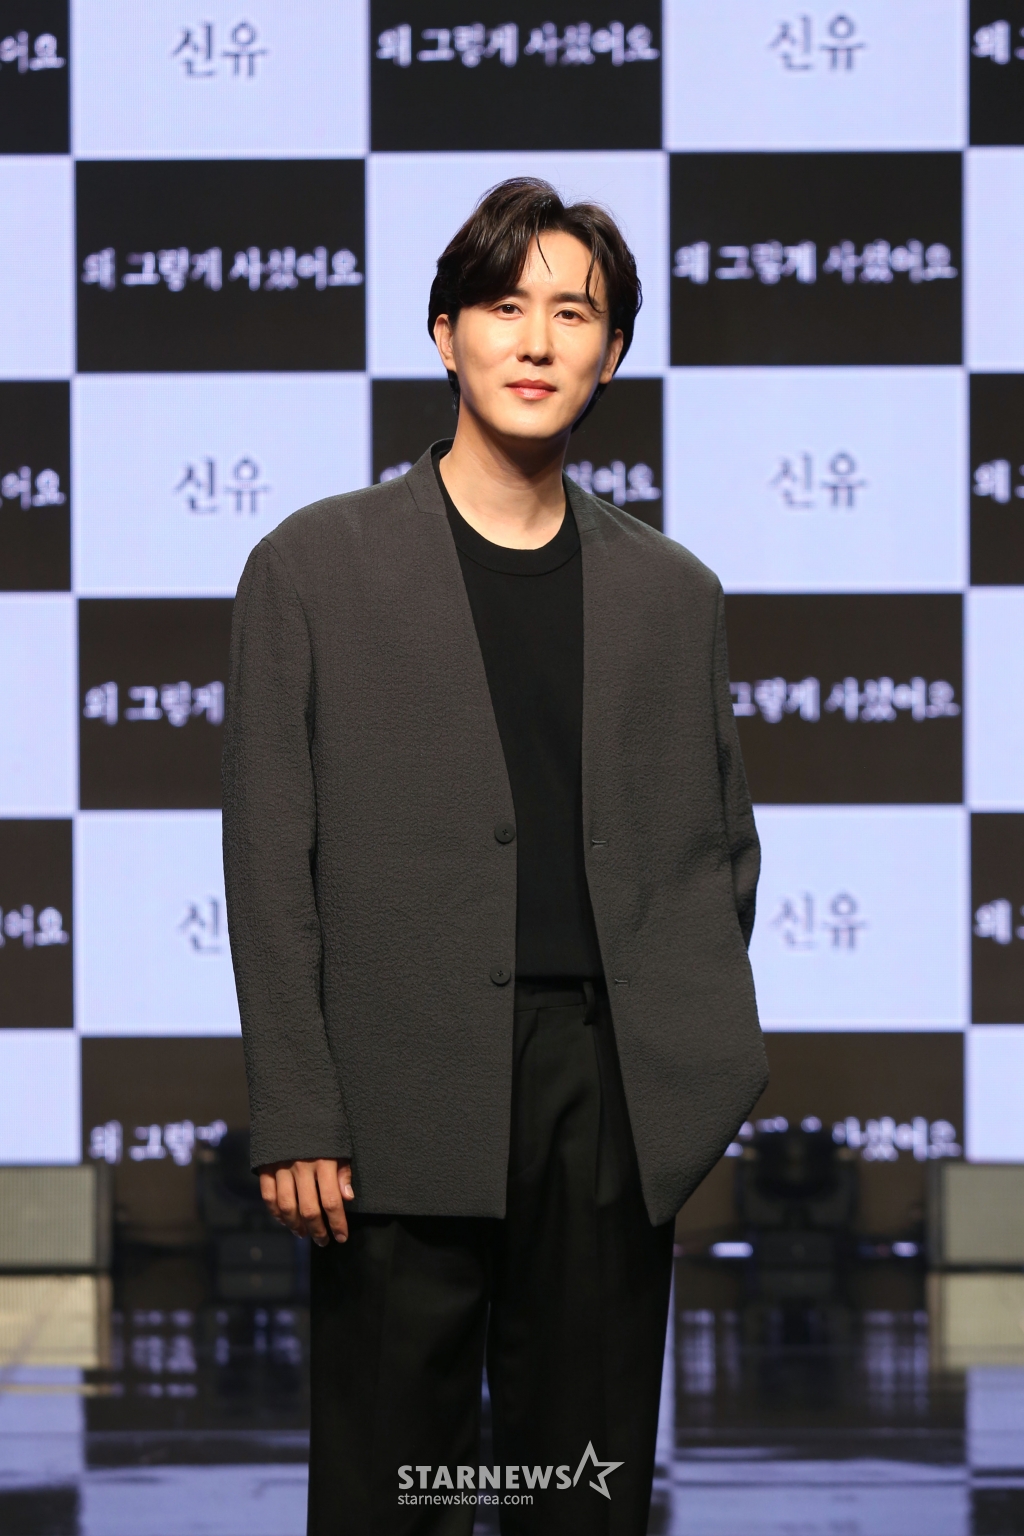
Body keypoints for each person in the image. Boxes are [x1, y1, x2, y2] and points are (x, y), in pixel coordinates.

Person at [222, 176, 768, 1536]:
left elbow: (718, 848)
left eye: (572, 313)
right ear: (446, 333)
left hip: (605, 1090)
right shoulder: (311, 568)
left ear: (612, 353)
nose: (535, 341)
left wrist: (680, 1060)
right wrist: (299, 1108)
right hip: (396, 1083)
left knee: (583, 1488)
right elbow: (268, 858)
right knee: (387, 1487)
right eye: (504, 306)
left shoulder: (674, 592)